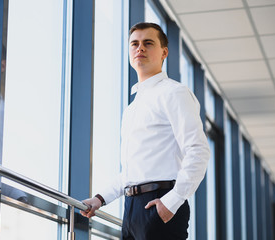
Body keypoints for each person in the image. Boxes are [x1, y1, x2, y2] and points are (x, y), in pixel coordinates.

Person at [81, 22, 210, 240]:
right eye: (134, 44)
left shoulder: (175, 93)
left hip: (160, 203)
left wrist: (172, 201)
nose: (139, 48)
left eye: (148, 43)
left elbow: (199, 150)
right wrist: (100, 199)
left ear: (164, 53)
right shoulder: (132, 109)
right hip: (131, 208)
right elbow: (131, 172)